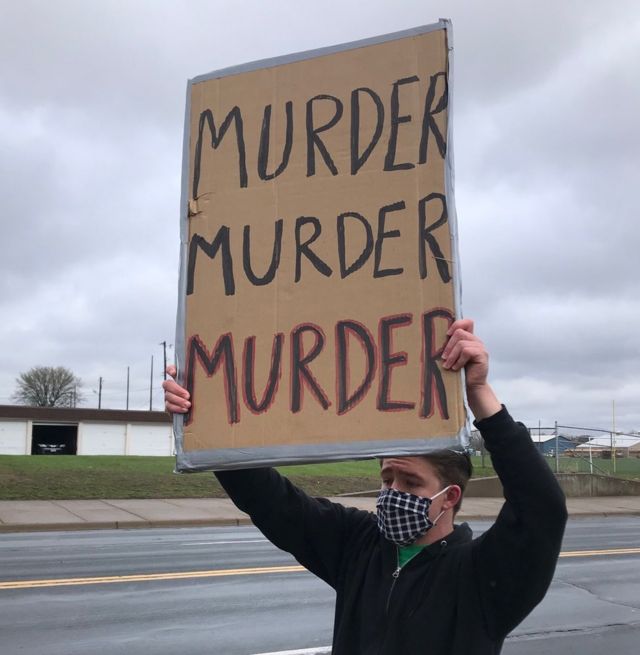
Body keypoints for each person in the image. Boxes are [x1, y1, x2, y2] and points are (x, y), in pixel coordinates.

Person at [164, 318, 567, 655]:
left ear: (451, 498)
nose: (392, 492)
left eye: (411, 482)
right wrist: (209, 417)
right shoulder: (358, 545)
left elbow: (542, 510)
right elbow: (271, 501)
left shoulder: (482, 576)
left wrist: (480, 395)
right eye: (387, 478)